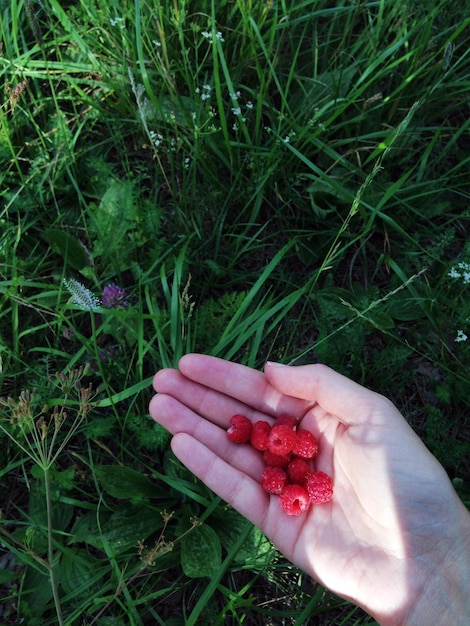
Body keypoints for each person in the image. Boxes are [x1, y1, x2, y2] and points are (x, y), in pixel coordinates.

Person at [149, 353, 470, 625]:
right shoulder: (282, 459)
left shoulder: (297, 462)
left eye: (277, 441)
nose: (275, 444)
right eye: (275, 442)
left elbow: (295, 471)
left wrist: (447, 551)